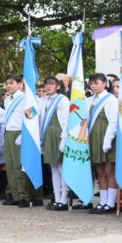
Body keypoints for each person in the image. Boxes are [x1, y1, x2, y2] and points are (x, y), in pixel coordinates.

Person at [87, 73, 118, 214]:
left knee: (109, 171)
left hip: (106, 136)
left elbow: (113, 122)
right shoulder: (89, 100)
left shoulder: (110, 99)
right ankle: (102, 201)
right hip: (94, 137)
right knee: (99, 171)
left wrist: (108, 140)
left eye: (96, 83)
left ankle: (110, 202)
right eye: (91, 83)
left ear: (104, 83)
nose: (93, 86)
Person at [39, 76, 69, 210]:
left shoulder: (62, 100)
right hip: (47, 135)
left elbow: (66, 121)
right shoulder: (42, 100)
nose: (48, 86)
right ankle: (57, 198)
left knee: (62, 168)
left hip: (58, 134)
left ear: (58, 86)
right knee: (53, 168)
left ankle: (64, 199)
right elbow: (36, 116)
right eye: (46, 84)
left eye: (51, 84)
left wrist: (64, 139)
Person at [2, 74, 28, 207]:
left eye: (11, 83)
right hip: (8, 133)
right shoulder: (7, 100)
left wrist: (25, 133)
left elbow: (32, 115)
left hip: (19, 132)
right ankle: (14, 194)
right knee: (10, 165)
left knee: (19, 165)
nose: (8, 86)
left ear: (19, 84)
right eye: (7, 83)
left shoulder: (25, 98)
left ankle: (23, 195)